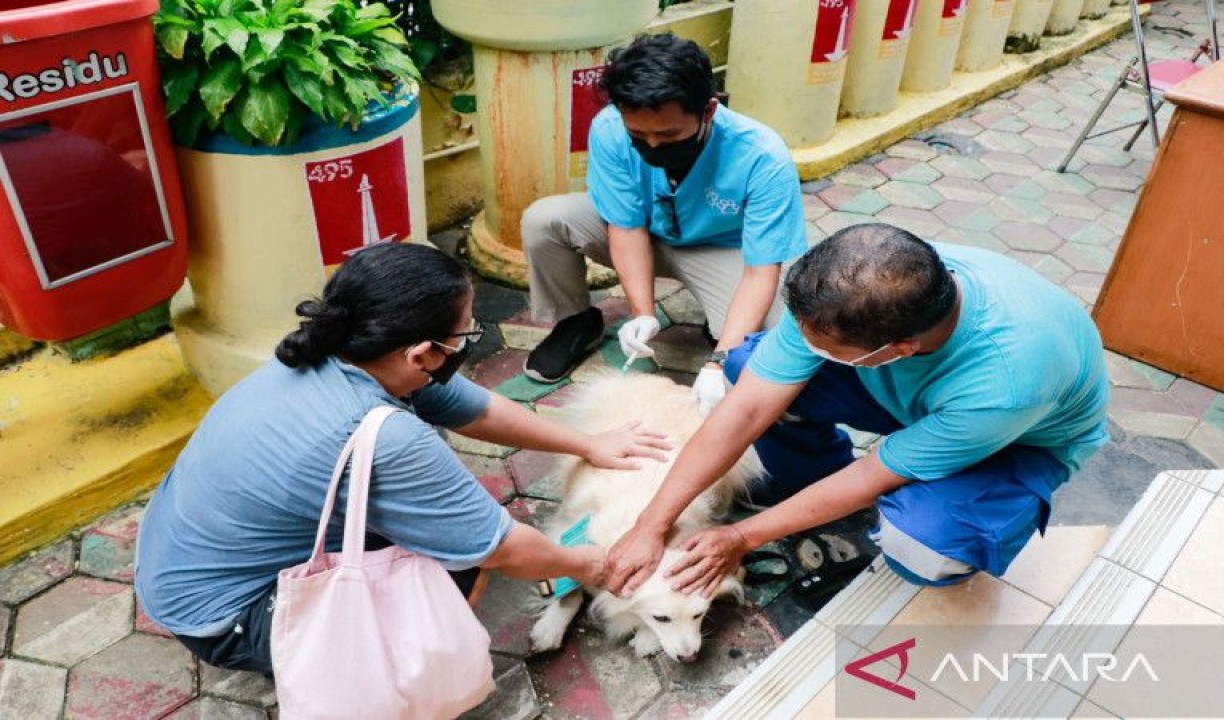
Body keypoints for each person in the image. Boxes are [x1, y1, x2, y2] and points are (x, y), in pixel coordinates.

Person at [135, 243, 670, 675]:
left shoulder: (332, 351)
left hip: (173, 565)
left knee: (449, 525)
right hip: (228, 618)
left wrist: (585, 443)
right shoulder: (386, 439)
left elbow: (469, 405)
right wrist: (597, 564)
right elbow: (503, 548)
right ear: (421, 353)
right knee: (456, 567)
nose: (467, 340)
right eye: (465, 331)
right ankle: (393, 677)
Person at [604, 223, 1110, 597]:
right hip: (930, 401)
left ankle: (971, 514)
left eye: (826, 347)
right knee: (748, 365)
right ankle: (811, 482)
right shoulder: (857, 290)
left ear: (900, 349)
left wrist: (740, 537)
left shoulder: (1010, 379)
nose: (805, 345)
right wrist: (652, 523)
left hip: (1019, 438)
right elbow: (744, 411)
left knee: (924, 545)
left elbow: (872, 473)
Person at [521, 33, 807, 415]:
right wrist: (643, 313)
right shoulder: (609, 127)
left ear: (707, 111)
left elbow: (760, 273)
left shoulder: (762, 156)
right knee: (545, 219)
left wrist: (720, 360)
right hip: (649, 232)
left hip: (724, 250)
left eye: (668, 134)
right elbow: (624, 226)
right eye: (638, 135)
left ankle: (721, 328)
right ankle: (575, 321)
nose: (652, 145)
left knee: (765, 345)